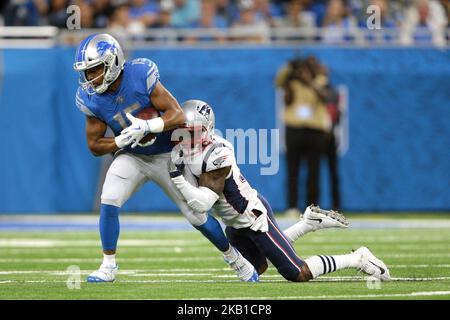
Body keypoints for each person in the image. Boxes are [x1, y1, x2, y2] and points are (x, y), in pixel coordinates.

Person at [73, 33, 258, 283]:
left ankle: (236, 260)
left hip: (167, 156)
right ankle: (108, 265)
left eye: (95, 70)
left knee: (196, 214)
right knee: (110, 197)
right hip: (133, 155)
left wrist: (150, 127)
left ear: (113, 62)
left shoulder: (140, 74)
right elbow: (94, 145)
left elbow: (178, 115)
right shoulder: (90, 98)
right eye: (87, 72)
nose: (90, 79)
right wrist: (120, 141)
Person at [167, 99, 390, 282]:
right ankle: (308, 224)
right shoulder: (184, 151)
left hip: (253, 218)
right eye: (184, 131)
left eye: (194, 131)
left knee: (297, 273)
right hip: (234, 224)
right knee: (257, 268)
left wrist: (176, 177)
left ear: (207, 130)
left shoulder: (218, 153)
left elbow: (202, 204)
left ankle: (358, 258)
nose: (189, 137)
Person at [275, 58, 331, 217]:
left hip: (315, 130)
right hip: (294, 129)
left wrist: (310, 82)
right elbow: (278, 81)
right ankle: (292, 206)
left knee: (314, 171)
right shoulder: (291, 83)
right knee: (293, 170)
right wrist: (288, 67)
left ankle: (312, 208)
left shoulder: (320, 80)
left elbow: (326, 97)